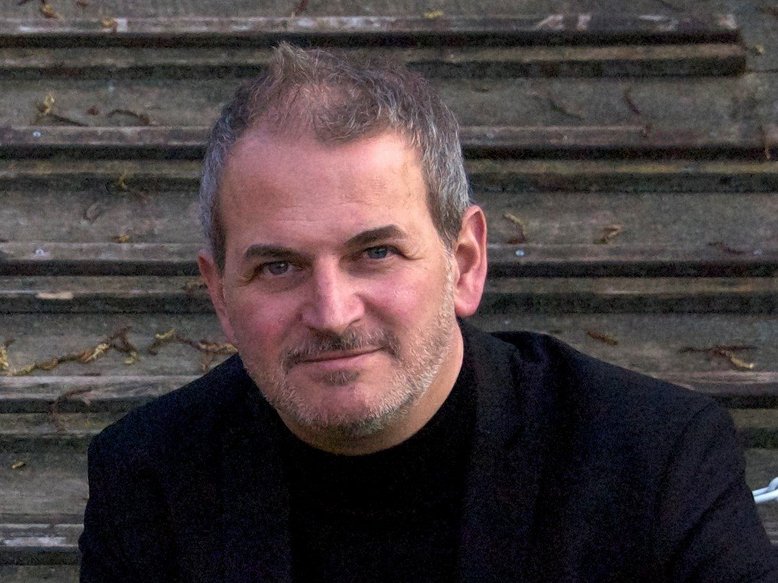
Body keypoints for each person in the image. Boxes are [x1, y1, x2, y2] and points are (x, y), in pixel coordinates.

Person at [79, 43, 778, 582]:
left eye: (376, 253)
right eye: (279, 267)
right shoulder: (149, 481)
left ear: (465, 262)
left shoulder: (654, 462)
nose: (331, 312)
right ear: (220, 297)